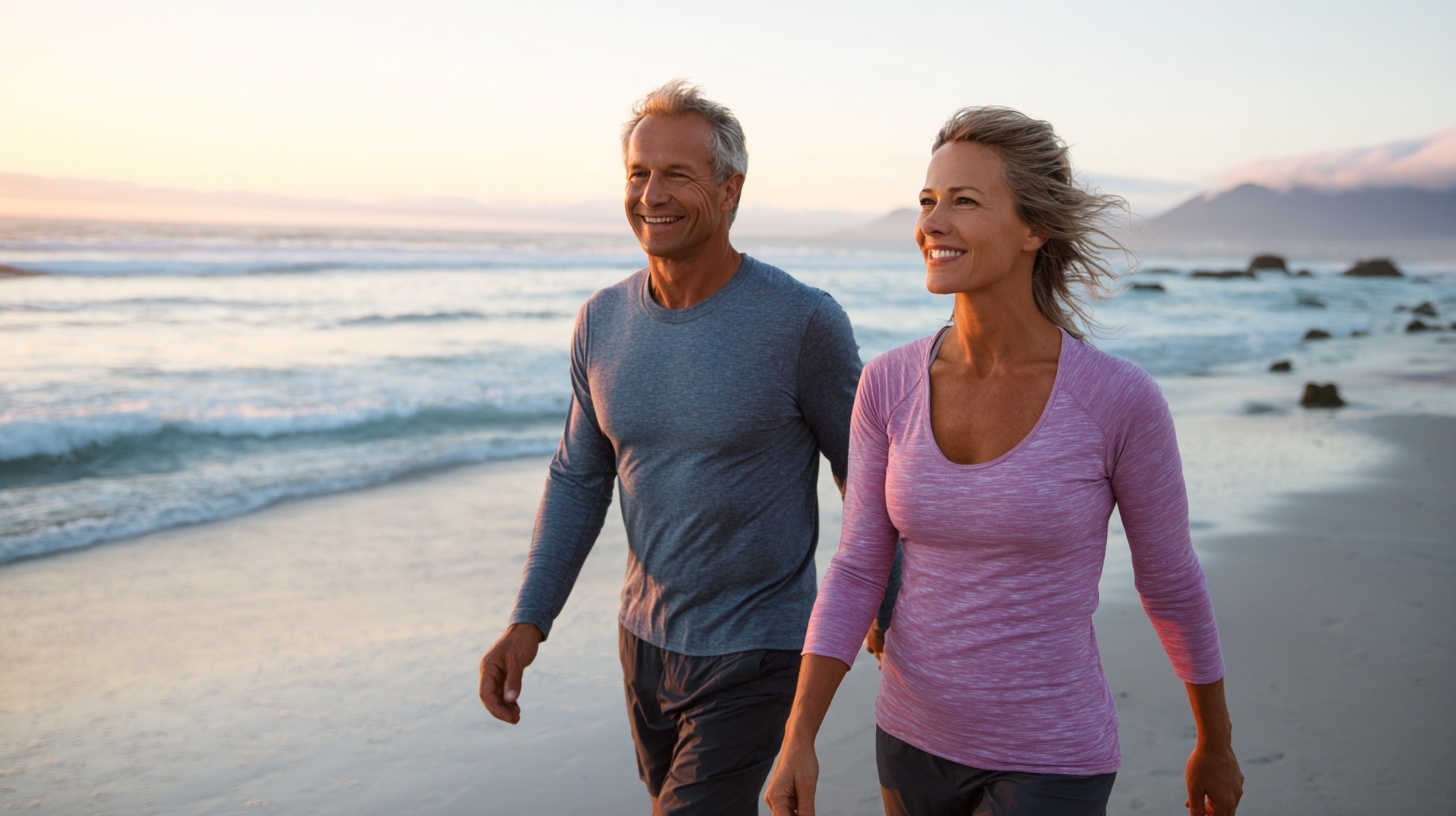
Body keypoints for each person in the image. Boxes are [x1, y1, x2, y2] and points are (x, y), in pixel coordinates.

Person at [765, 107, 1244, 816]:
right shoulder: (889, 384)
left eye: (964, 200)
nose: (933, 221)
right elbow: (860, 566)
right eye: (927, 200)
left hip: (1053, 757)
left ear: (1033, 228)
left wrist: (1215, 740)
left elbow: (1169, 582)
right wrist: (798, 735)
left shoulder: (1119, 400)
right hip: (910, 738)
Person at [477, 80, 862, 815]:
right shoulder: (602, 321)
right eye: (638, 173)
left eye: (676, 175)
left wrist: (886, 605)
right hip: (644, 642)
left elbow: (865, 474)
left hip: (761, 642)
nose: (651, 193)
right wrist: (530, 621)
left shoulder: (802, 322)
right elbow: (578, 478)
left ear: (731, 189)